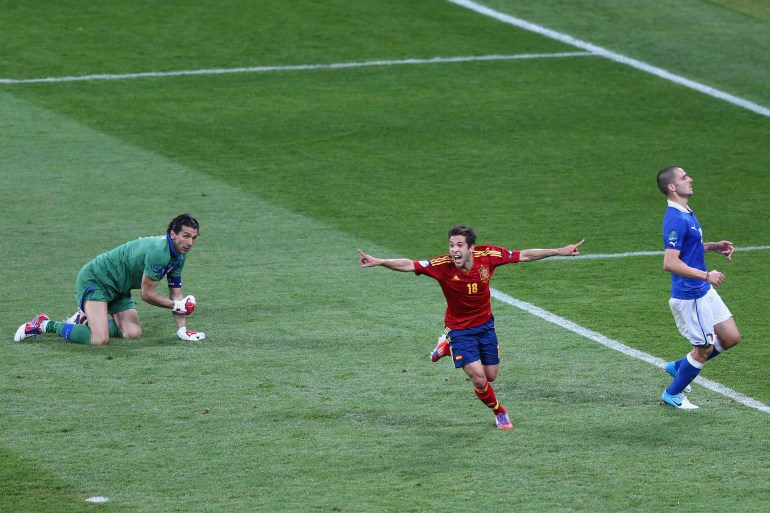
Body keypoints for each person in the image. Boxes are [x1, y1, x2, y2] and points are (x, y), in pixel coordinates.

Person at [358, 226, 584, 429]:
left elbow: (524, 255)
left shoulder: (488, 256)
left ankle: (445, 346)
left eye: (459, 245)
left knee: (491, 376)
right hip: (459, 330)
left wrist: (559, 251)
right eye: (451, 245)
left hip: (486, 326)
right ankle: (500, 413)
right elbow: (409, 264)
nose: (454, 250)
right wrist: (380, 261)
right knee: (479, 379)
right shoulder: (442, 266)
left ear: (471, 248)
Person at [13, 213, 205, 346]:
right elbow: (147, 295)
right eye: (186, 236)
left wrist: (182, 329)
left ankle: (88, 318)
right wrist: (175, 306)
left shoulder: (179, 257)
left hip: (119, 289)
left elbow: (177, 295)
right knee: (99, 339)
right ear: (173, 234)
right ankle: (44, 324)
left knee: (132, 334)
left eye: (194, 238)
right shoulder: (159, 253)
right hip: (96, 280)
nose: (190, 243)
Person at [657, 166, 740, 409]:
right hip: (690, 294)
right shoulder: (675, 218)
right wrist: (706, 275)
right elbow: (670, 262)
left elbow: (688, 249)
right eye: (684, 178)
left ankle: (679, 366)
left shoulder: (686, 212)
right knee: (704, 348)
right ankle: (673, 394)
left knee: (730, 337)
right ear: (672, 187)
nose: (690, 179)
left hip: (702, 291)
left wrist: (714, 246)